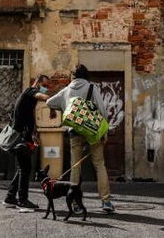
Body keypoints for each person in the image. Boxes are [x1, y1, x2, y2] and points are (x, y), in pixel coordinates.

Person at [47, 64, 115, 213]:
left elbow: (49, 102)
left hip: (74, 132)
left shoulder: (66, 91)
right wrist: (104, 132)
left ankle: (75, 204)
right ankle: (106, 202)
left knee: (75, 167)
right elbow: (102, 110)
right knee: (99, 165)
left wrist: (63, 107)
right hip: (92, 132)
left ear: (73, 76)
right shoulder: (92, 88)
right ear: (86, 76)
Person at [4, 74, 51, 211]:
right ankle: (22, 200)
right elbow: (44, 97)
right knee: (25, 168)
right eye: (45, 86)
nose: (46, 89)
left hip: (24, 137)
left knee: (22, 168)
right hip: (20, 139)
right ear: (37, 83)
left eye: (47, 87)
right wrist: (55, 102)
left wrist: (34, 133)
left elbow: (30, 118)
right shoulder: (29, 92)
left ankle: (10, 197)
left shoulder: (30, 101)